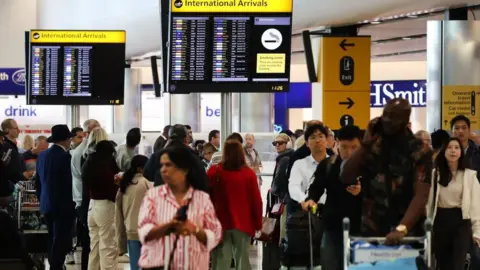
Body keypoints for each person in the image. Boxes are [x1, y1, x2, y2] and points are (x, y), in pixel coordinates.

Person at [341, 98, 433, 244]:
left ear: (405, 120)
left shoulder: (420, 150)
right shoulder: (373, 144)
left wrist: (402, 228)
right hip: (373, 230)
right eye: (385, 115)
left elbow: (421, 195)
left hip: (408, 232)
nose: (387, 120)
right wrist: (365, 144)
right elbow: (346, 176)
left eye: (394, 117)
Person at [138, 146, 222, 269]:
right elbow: (144, 232)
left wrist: (194, 229)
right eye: (162, 165)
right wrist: (169, 226)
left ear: (184, 170)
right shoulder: (153, 196)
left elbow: (215, 236)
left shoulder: (201, 199)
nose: (163, 170)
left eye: (168, 165)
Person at [302, 125, 363, 270]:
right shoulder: (329, 165)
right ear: (336, 143)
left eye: (354, 147)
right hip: (332, 225)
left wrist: (362, 191)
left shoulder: (369, 166)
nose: (349, 152)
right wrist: (311, 199)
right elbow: (316, 187)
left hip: (361, 227)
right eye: (344, 147)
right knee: (330, 264)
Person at [208, 140, 263, 270]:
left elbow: (206, 198)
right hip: (243, 223)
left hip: (220, 222)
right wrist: (258, 224)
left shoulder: (213, 171)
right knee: (242, 259)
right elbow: (256, 201)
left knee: (220, 260)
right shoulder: (248, 174)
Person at [427, 137, 480, 270]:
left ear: (461, 152)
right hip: (440, 220)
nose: (453, 151)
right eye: (449, 147)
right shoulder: (435, 174)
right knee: (442, 263)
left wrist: (477, 231)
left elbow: (476, 205)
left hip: (461, 221)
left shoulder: (470, 175)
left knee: (458, 263)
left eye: (457, 148)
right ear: (444, 151)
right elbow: (429, 202)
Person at [35, 125, 76, 270]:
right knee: (61, 239)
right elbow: (68, 184)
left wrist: (42, 200)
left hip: (46, 204)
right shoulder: (66, 157)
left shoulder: (42, 155)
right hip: (63, 205)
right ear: (66, 140)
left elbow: (37, 182)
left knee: (52, 237)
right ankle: (56, 267)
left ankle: (54, 264)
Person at [82, 140, 120, 270]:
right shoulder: (105, 163)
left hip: (92, 206)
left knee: (95, 245)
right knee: (108, 245)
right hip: (105, 206)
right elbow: (110, 184)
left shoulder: (89, 161)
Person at [70, 119, 101, 270]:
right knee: (89, 239)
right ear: (86, 133)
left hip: (85, 198)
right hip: (84, 200)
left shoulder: (87, 151)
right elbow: (86, 178)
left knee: (91, 239)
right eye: (95, 131)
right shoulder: (83, 153)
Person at [116, 155, 152, 270]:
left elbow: (118, 210)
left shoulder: (124, 185)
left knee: (134, 265)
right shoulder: (146, 183)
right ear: (140, 169)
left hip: (130, 229)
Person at [143, 124, 207, 189]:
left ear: (169, 138)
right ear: (185, 139)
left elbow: (147, 175)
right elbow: (202, 183)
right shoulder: (193, 158)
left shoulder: (157, 156)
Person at [264, 133, 294, 270]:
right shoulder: (291, 157)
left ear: (287, 143)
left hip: (285, 200)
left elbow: (277, 182)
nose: (277, 146)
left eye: (280, 143)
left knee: (283, 233)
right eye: (275, 143)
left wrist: (274, 190)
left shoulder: (284, 159)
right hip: (289, 199)